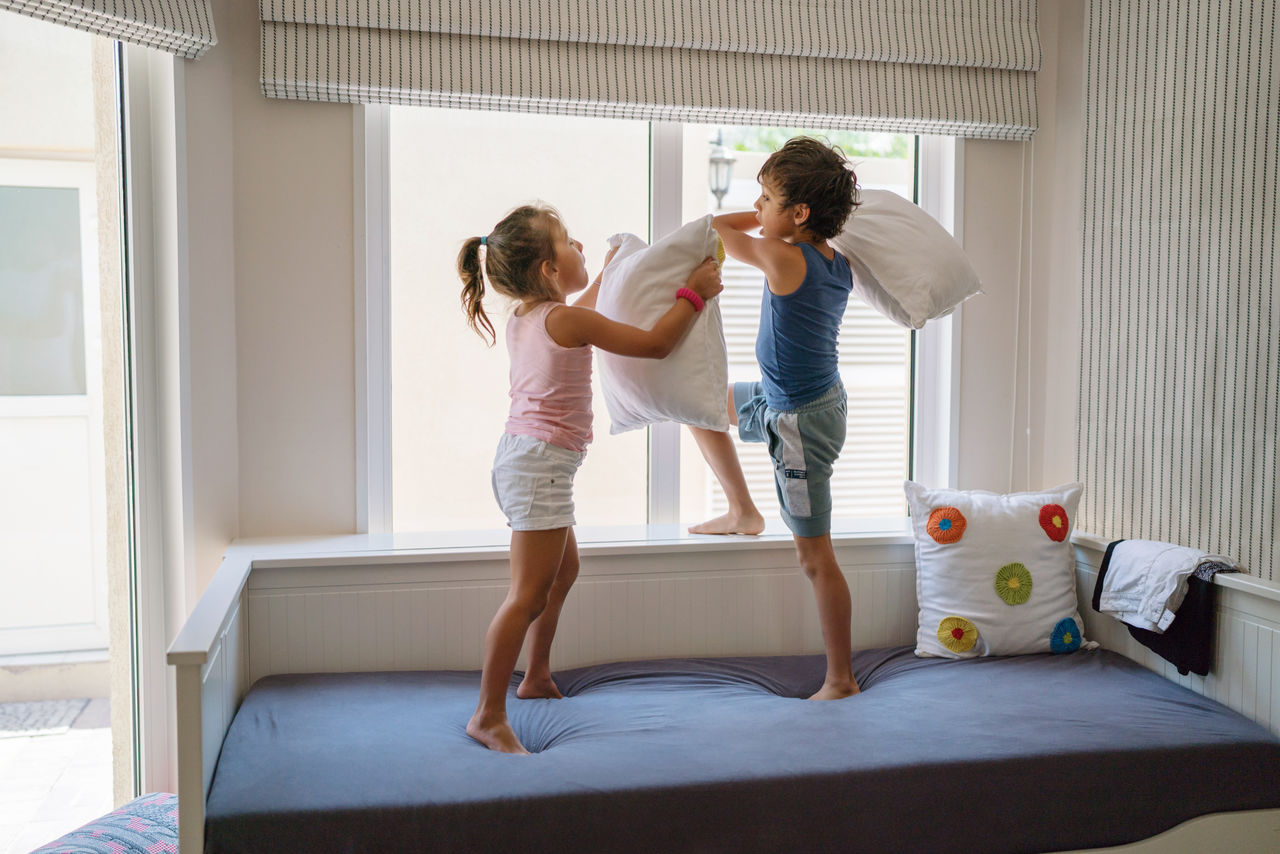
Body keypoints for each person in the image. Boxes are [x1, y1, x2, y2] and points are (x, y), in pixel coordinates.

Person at [458, 203, 722, 752]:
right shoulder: (566, 320)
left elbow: (581, 307)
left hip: (528, 461)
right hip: (540, 468)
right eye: (568, 242)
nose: (579, 247)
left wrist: (606, 270)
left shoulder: (529, 317)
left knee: (563, 571)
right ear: (548, 270)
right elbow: (654, 344)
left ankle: (537, 676)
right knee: (526, 595)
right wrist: (694, 293)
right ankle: (487, 714)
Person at [686, 137, 862, 700]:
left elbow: (716, 229)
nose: (757, 208)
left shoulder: (783, 256)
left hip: (799, 424)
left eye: (764, 198)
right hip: (786, 396)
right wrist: (771, 209)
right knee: (697, 400)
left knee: (815, 557)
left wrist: (757, 219)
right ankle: (742, 509)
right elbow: (752, 225)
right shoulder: (835, 261)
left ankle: (842, 677)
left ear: (800, 213)